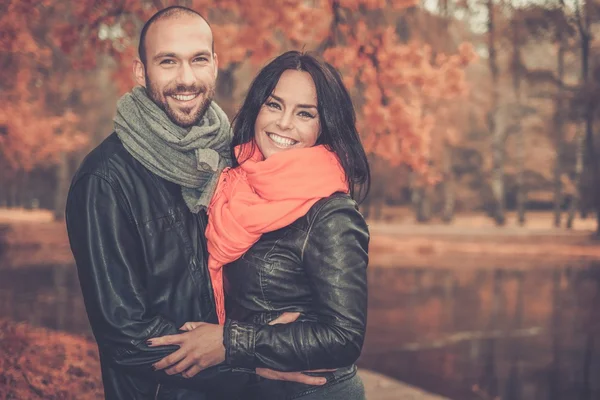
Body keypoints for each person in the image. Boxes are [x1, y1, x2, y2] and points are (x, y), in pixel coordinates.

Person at [65, 7, 325, 400]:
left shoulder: (235, 154)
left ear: (215, 65)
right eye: (168, 61)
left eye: (198, 59)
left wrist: (273, 339)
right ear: (141, 72)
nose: (186, 79)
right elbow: (125, 336)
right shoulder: (105, 180)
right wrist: (246, 360)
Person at [148, 51, 371, 399]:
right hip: (254, 385)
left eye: (305, 114)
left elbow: (344, 339)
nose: (283, 124)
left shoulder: (332, 215)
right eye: (274, 105)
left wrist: (230, 342)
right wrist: (248, 351)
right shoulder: (236, 185)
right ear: (257, 108)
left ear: (323, 126)